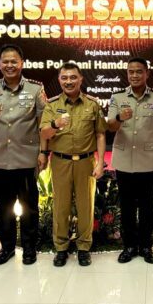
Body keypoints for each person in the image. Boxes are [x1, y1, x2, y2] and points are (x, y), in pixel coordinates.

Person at [0, 44, 47, 266]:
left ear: (21, 63)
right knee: (3, 207)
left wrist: (44, 152)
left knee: (29, 206)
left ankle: (29, 247)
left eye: (13, 61)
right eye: (5, 61)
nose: (9, 65)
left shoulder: (35, 89)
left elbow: (43, 123)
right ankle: (6, 248)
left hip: (26, 157)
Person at [40, 62, 107, 267]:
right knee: (61, 206)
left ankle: (84, 247)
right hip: (60, 161)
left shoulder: (92, 104)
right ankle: (61, 248)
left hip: (86, 161)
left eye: (72, 77)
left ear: (80, 79)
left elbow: (100, 134)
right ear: (59, 80)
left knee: (86, 206)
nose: (68, 81)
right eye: (64, 78)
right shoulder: (52, 105)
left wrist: (100, 162)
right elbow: (44, 133)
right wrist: (56, 124)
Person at [107, 57, 153, 265]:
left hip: (147, 160)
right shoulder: (117, 97)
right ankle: (129, 246)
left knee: (146, 205)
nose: (134, 75)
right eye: (131, 72)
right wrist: (119, 118)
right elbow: (110, 126)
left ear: (147, 73)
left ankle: (146, 246)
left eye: (139, 71)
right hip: (124, 160)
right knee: (126, 206)